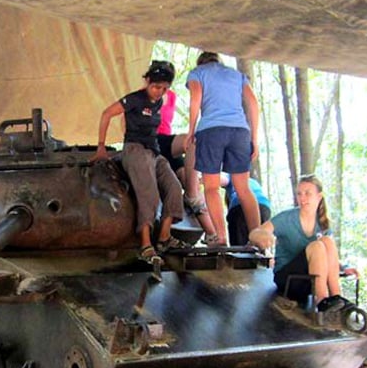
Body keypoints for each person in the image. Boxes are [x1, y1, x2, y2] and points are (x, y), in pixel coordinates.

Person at [92, 60, 187, 264]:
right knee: (149, 193)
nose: (159, 92)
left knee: (174, 187)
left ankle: (164, 237)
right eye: (155, 87)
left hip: (153, 151)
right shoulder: (135, 99)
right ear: (147, 81)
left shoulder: (160, 101)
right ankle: (145, 244)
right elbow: (107, 113)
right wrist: (101, 146)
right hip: (134, 149)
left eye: (164, 88)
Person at [185, 51, 262, 246]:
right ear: (219, 61)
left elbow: (195, 99)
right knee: (243, 188)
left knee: (211, 188)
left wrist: (191, 130)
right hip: (239, 131)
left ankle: (220, 237)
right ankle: (257, 238)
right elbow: (253, 103)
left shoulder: (197, 73)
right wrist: (254, 137)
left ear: (200, 63)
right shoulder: (236, 75)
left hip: (211, 131)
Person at [250, 174, 358, 311]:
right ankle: (322, 300)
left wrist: (344, 267)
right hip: (288, 282)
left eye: (308, 193)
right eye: (299, 194)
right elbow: (255, 233)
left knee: (326, 241)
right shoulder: (286, 218)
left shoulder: (322, 224)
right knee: (317, 246)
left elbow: (329, 256)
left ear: (319, 197)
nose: (303, 198)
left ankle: (336, 297)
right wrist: (263, 236)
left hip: (310, 281)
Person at [155, 86, 220, 246]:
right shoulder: (143, 95)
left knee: (188, 177)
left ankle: (212, 235)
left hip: (167, 143)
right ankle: (192, 196)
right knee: (193, 140)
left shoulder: (171, 96)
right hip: (152, 141)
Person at [222, 174, 271, 246]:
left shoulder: (232, 177)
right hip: (264, 206)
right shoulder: (254, 182)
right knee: (260, 242)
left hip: (240, 205)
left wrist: (204, 179)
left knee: (239, 246)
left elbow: (222, 179)